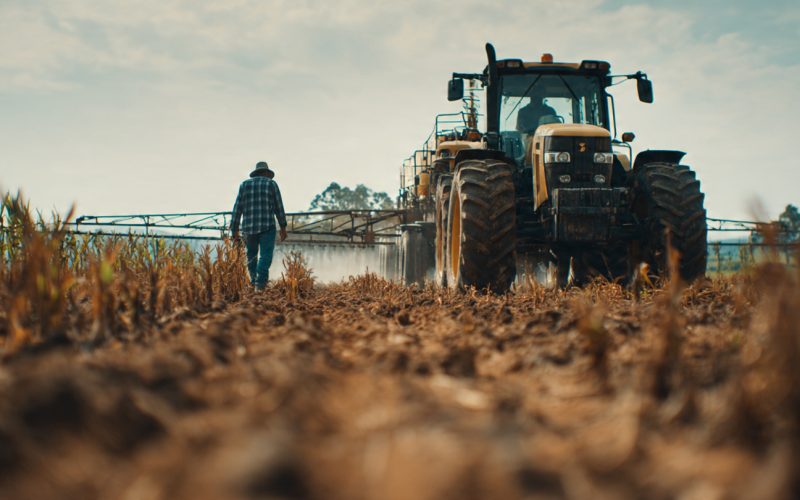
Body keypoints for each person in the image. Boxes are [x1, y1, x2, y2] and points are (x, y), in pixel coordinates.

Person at [231, 161, 288, 290]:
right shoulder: (271, 184)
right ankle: (260, 285)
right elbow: (279, 207)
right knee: (265, 256)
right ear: (267, 173)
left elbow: (237, 208)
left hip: (248, 228)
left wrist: (234, 229)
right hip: (267, 226)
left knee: (251, 255)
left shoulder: (244, 185)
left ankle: (253, 282)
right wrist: (283, 227)